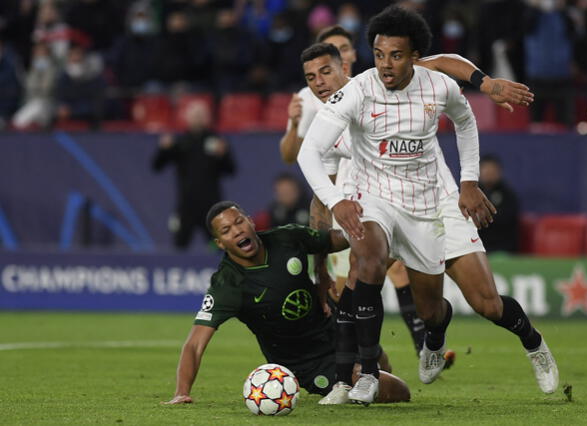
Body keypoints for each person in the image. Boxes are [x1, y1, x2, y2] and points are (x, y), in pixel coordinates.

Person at [298, 6, 558, 405]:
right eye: (379, 54)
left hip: (435, 203)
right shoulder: (355, 93)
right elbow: (306, 154)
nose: (386, 64)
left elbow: (465, 121)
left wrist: (468, 181)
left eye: (396, 55)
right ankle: (362, 375)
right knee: (365, 260)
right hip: (379, 201)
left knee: (473, 305)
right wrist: (337, 201)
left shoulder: (436, 85)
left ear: (414, 56)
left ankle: (531, 343)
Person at [161, 201, 410, 404]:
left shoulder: (287, 238)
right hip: (309, 363)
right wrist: (181, 392)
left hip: (338, 326)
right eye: (226, 231)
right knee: (398, 391)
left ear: (249, 221)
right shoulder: (228, 285)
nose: (236, 231)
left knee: (379, 360)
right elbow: (194, 344)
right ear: (220, 243)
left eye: (238, 222)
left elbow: (333, 239)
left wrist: (370, 227)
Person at [152, 102, 236, 249]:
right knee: (180, 245)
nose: (198, 119)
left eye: (201, 115)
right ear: (187, 118)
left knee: (217, 246)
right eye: (195, 115)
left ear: (207, 118)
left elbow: (231, 170)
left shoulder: (217, 141)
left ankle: (219, 271)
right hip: (186, 205)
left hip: (211, 205)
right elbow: (157, 166)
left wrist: (223, 155)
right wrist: (163, 149)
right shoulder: (181, 142)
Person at [478, 155, 520, 253]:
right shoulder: (471, 195)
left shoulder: (508, 195)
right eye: (485, 170)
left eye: (492, 170)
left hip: (503, 248)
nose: (489, 173)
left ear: (499, 172)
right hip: (477, 247)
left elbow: (508, 219)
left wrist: (483, 216)